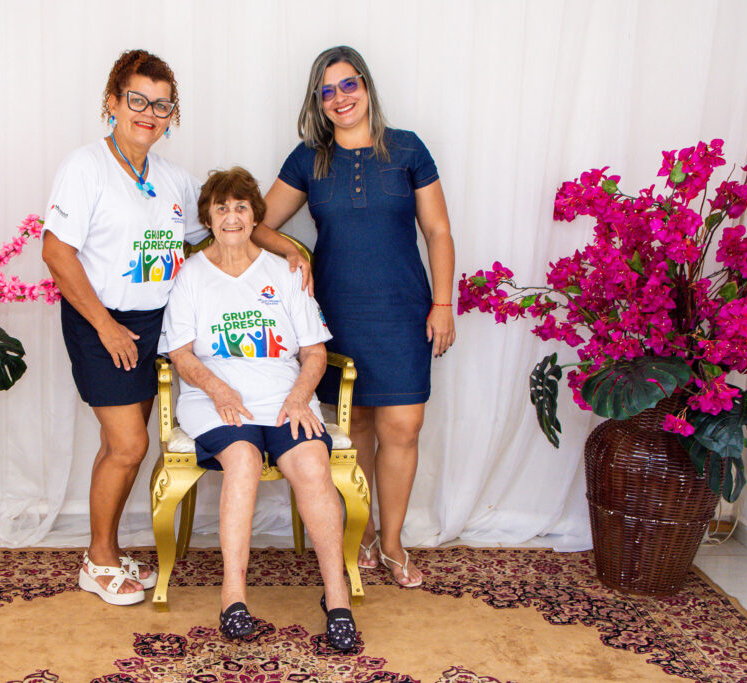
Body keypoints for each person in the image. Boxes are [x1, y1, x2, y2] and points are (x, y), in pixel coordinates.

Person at [251, 46, 456, 588]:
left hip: (404, 311)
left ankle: (393, 543)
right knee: (356, 424)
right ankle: (361, 535)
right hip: (337, 312)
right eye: (327, 92)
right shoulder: (308, 159)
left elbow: (438, 231)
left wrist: (443, 304)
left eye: (348, 85)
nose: (340, 98)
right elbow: (256, 224)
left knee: (403, 426)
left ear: (366, 86)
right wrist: (293, 250)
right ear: (317, 103)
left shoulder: (408, 149)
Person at [160, 167, 357, 650]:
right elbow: (180, 353)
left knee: (312, 465)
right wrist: (220, 391)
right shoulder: (190, 275)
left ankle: (337, 597)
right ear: (208, 217)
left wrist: (298, 397)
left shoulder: (284, 271)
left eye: (241, 208)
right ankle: (233, 597)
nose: (231, 217)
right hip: (215, 400)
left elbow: (314, 352)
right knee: (244, 461)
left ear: (255, 217)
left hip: (284, 396)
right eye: (221, 208)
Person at [41, 50, 210, 606]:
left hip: (153, 325)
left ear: (171, 115)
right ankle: (98, 560)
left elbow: (220, 224)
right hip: (100, 321)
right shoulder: (85, 167)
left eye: (161, 105)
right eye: (137, 100)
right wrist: (106, 326)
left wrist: (283, 249)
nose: (148, 113)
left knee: (121, 446)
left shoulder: (173, 179)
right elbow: (56, 252)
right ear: (112, 102)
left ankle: (106, 551)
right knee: (129, 444)